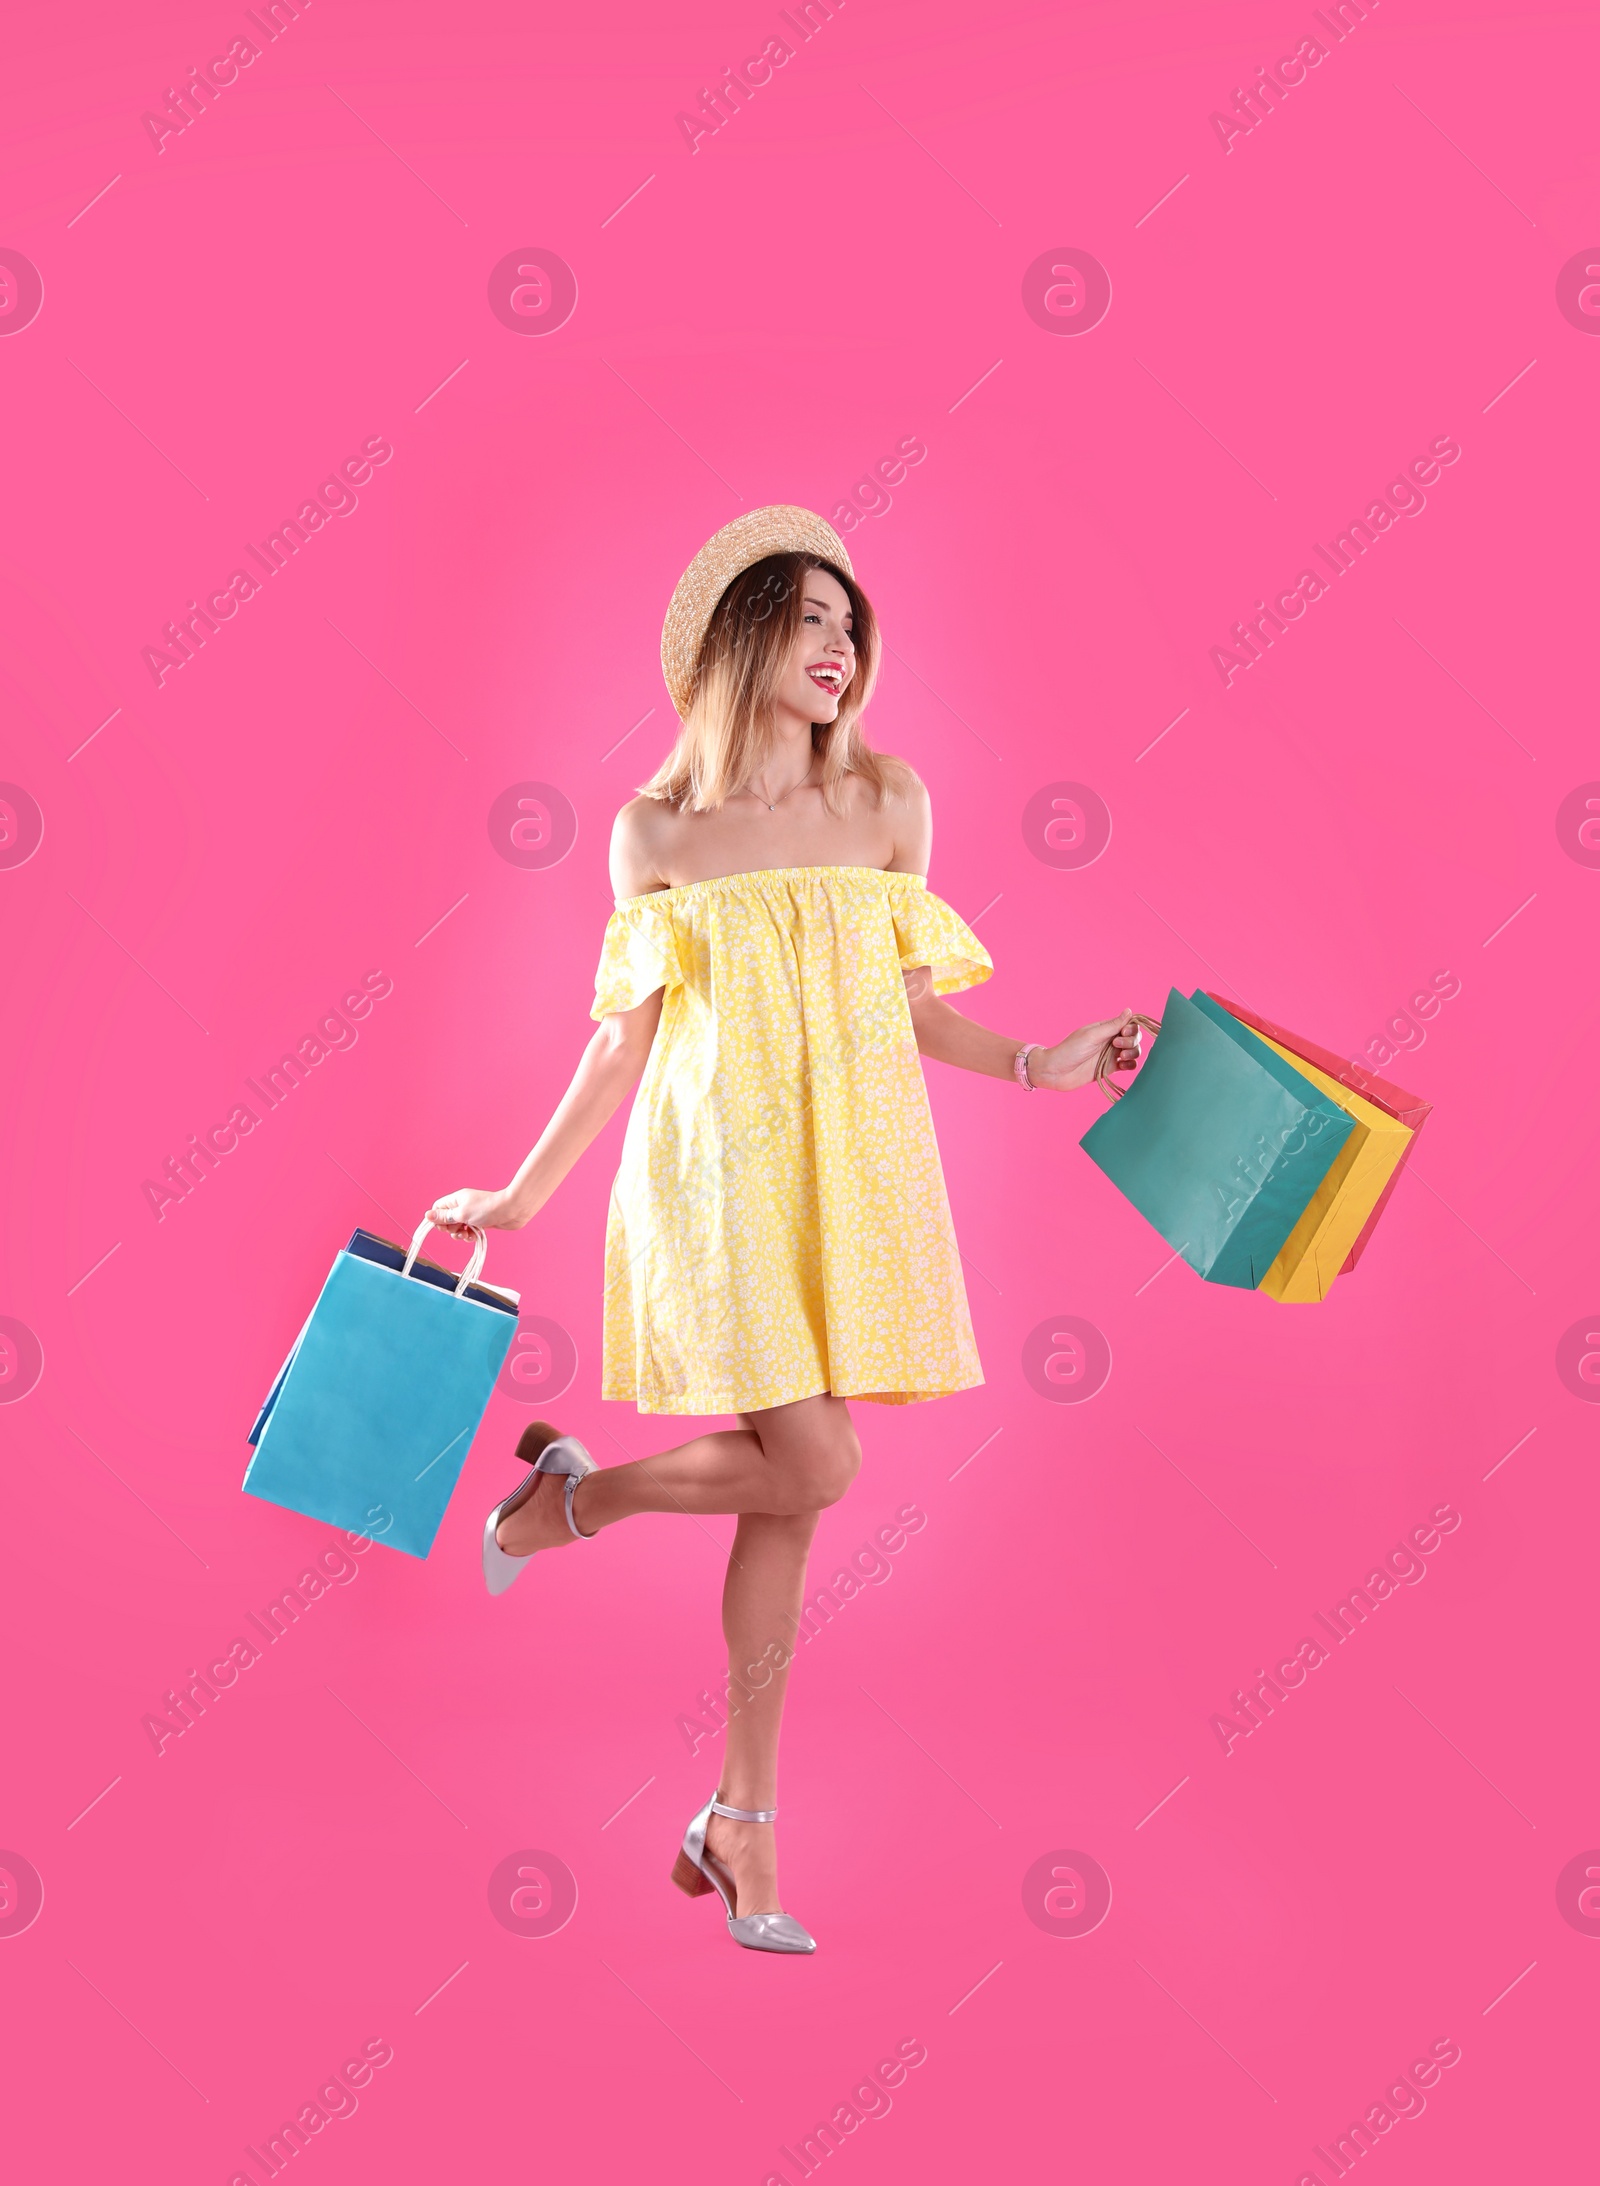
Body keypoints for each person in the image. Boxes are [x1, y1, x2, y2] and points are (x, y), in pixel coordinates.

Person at [427, 506, 1141, 1953]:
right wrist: (519, 1194)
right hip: (713, 1178)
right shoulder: (658, 833)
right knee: (818, 1456)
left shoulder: (888, 804)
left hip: (852, 1175)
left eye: (850, 624)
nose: (841, 645)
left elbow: (909, 1004)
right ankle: (578, 1505)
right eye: (810, 618)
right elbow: (621, 1044)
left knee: (792, 1496)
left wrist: (1037, 1062)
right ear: (741, 637)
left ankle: (740, 1821)